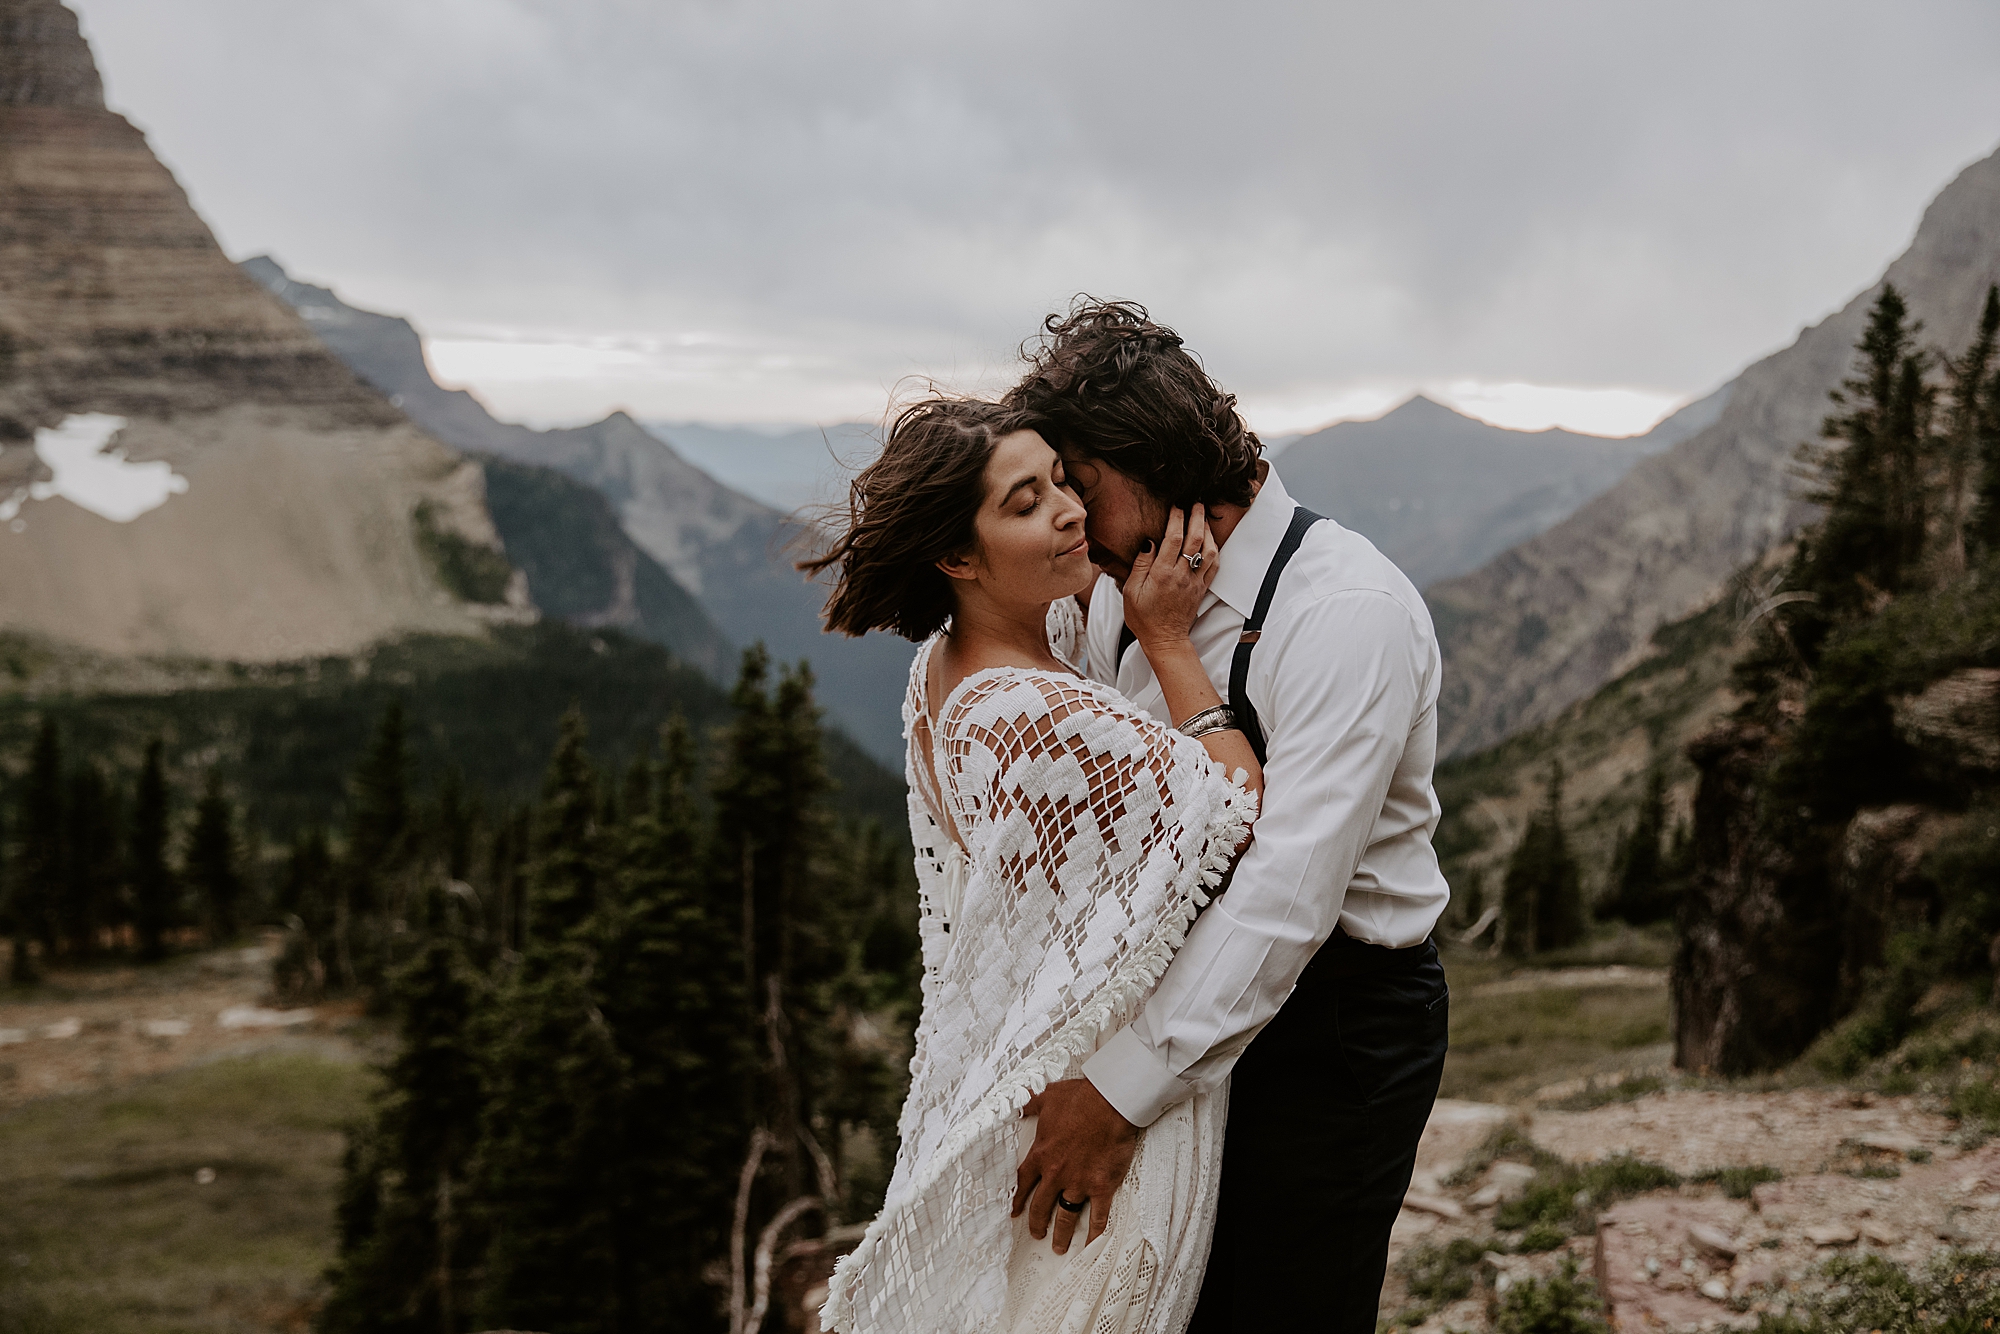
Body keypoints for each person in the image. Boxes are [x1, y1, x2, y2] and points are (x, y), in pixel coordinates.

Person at [1004, 299, 1452, 1333]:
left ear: (1155, 461)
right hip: (1183, 1002)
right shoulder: (1120, 584)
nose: (1071, 517)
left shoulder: (1346, 613)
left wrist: (1116, 1095)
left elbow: (1287, 894)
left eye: (1082, 484)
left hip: (1333, 1023)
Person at [810, 396, 1261, 1334]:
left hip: (1052, 1085)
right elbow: (1235, 802)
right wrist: (1169, 640)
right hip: (1108, 1103)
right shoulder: (1028, 712)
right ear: (957, 557)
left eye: (1062, 481)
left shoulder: (945, 669)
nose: (1067, 511)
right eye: (1025, 503)